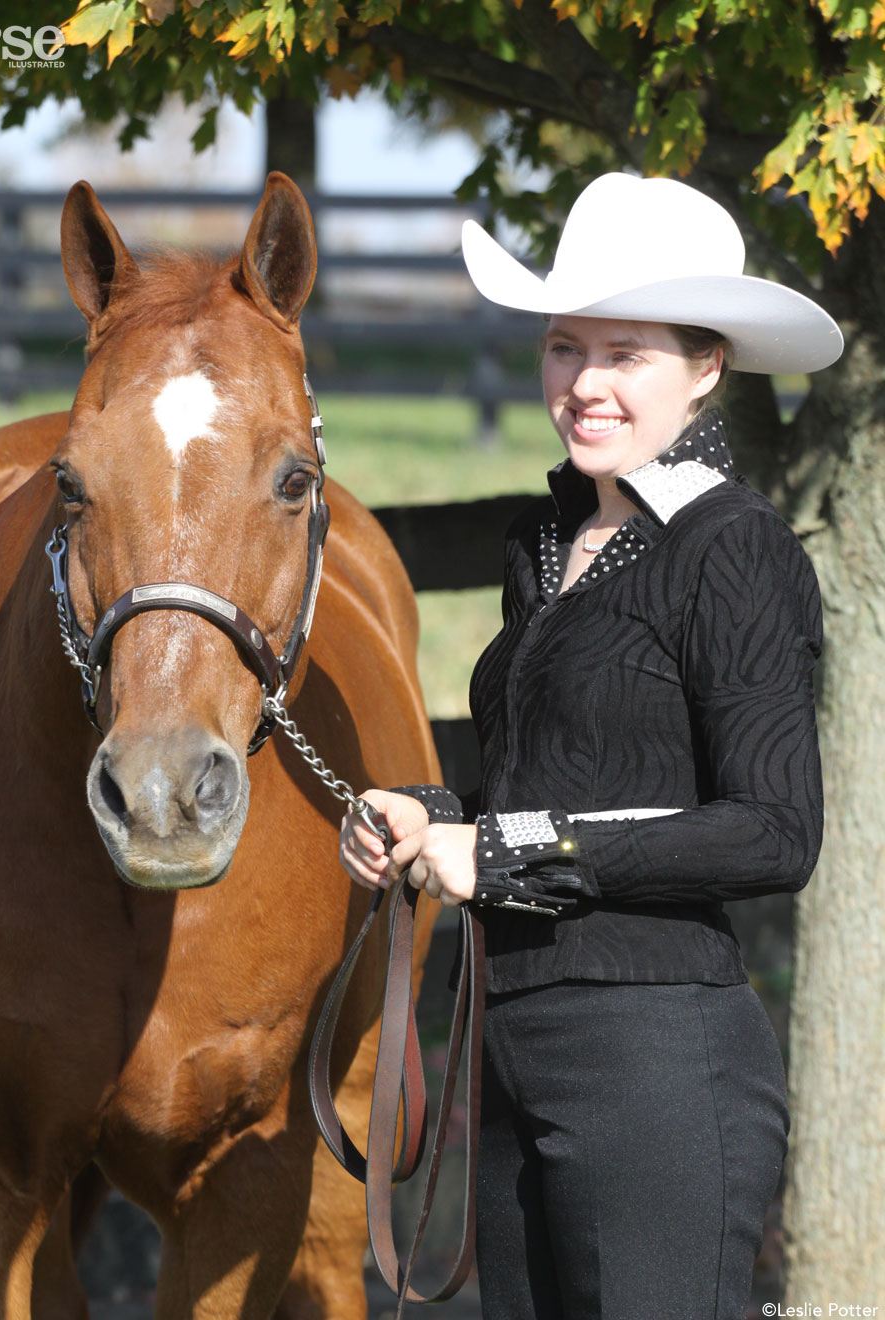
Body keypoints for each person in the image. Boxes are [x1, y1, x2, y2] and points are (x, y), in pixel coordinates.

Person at [338, 173, 843, 1320]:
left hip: (655, 1056)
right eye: (566, 347)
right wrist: (429, 812)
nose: (586, 383)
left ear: (706, 366)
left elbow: (773, 832)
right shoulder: (546, 537)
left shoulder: (737, 551)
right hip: (514, 1048)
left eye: (626, 352)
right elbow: (563, 776)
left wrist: (503, 858)